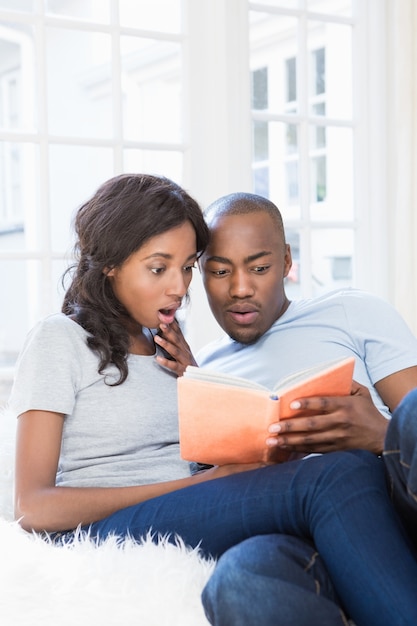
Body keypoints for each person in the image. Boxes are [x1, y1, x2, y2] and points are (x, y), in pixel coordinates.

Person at [9, 176, 417, 626]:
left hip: (191, 511)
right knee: (335, 475)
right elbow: (33, 506)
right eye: (158, 267)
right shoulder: (59, 338)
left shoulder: (169, 349)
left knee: (328, 487)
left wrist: (208, 391)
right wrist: (205, 484)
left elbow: (198, 456)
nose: (179, 288)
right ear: (111, 264)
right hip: (104, 530)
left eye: (186, 268)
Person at [176, 191, 417, 625]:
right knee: (240, 577)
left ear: (286, 262)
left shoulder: (351, 311)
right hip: (300, 536)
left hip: (398, 503)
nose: (240, 289)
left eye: (260, 267)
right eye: (219, 271)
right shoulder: (204, 369)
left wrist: (380, 433)